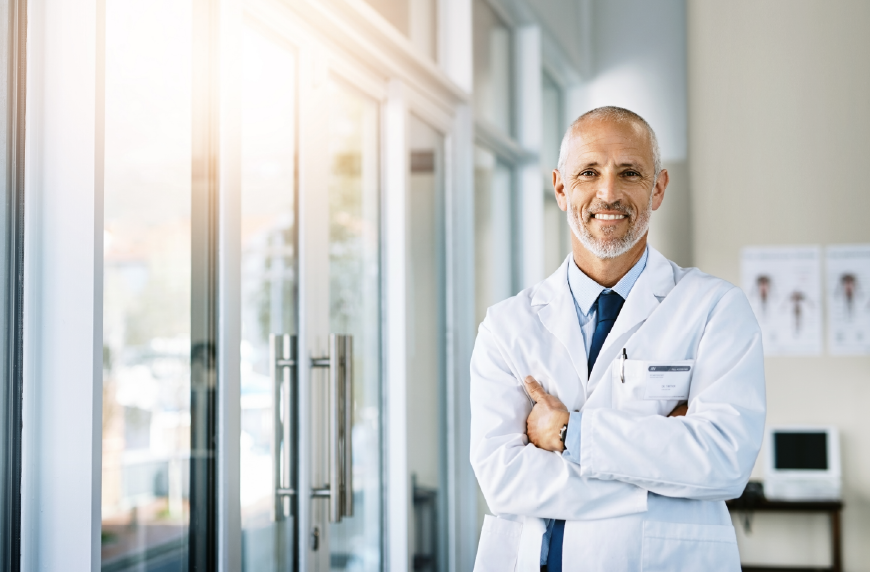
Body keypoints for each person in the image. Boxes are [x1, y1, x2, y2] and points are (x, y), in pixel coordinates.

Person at [470, 106, 766, 571]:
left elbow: (724, 462)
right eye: (589, 172)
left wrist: (571, 433)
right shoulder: (507, 325)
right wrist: (662, 465)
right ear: (561, 188)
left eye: (629, 173)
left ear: (658, 188)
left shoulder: (715, 309)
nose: (608, 193)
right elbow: (504, 482)